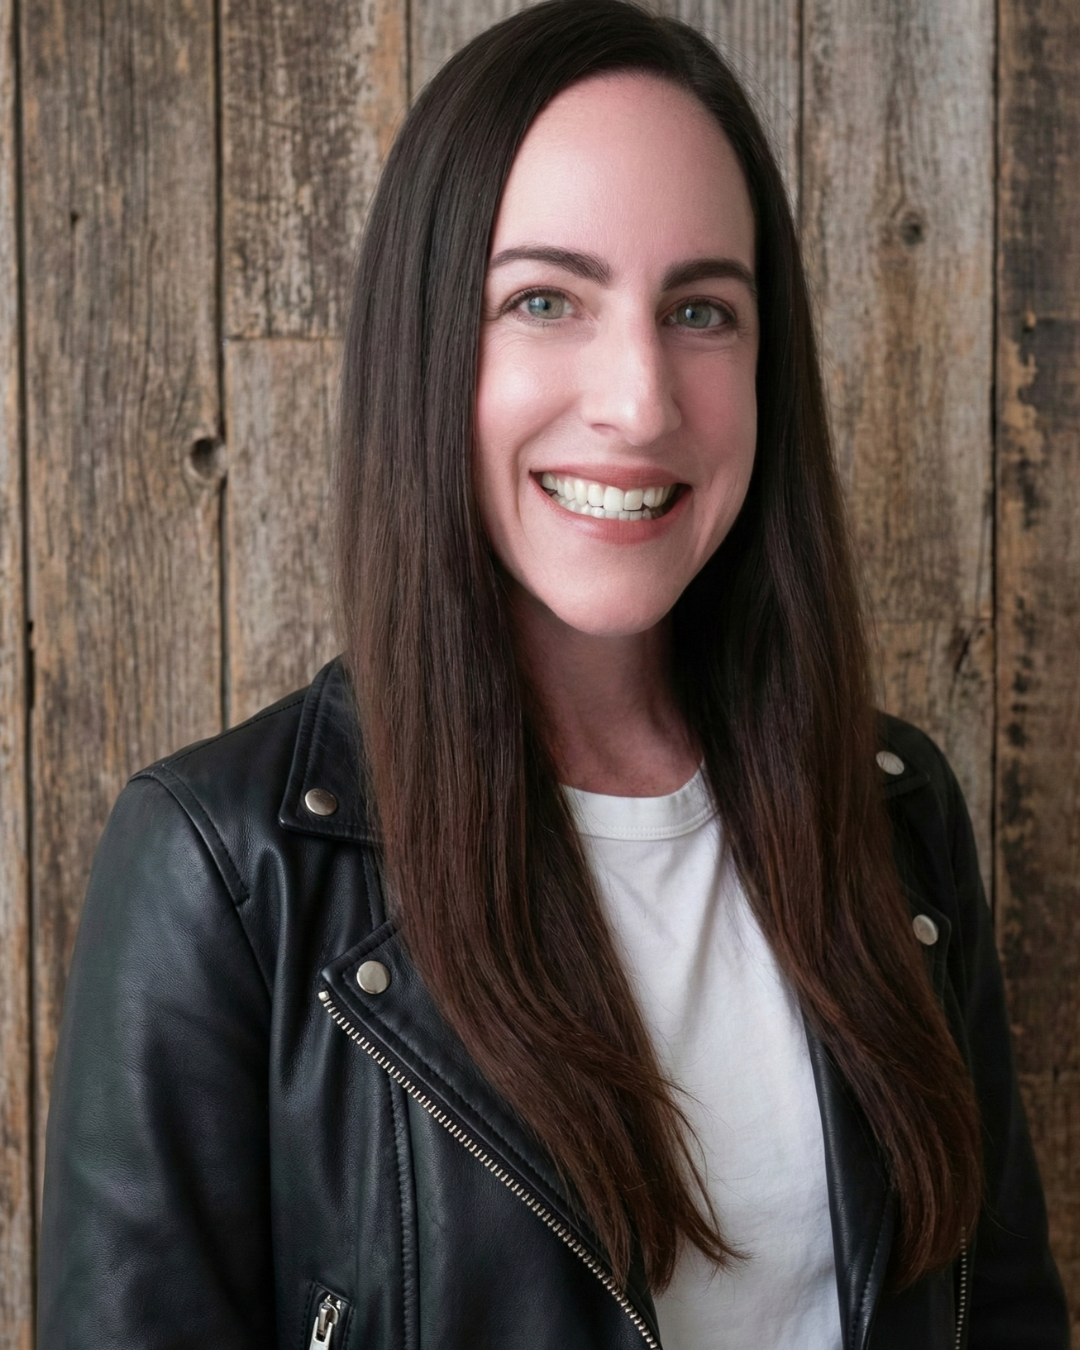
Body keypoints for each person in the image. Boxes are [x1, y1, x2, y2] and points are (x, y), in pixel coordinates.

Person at [38, 2, 1068, 1347]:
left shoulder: (897, 813)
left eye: (701, 310)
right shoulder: (225, 874)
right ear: (427, 346)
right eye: (544, 300)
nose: (640, 399)